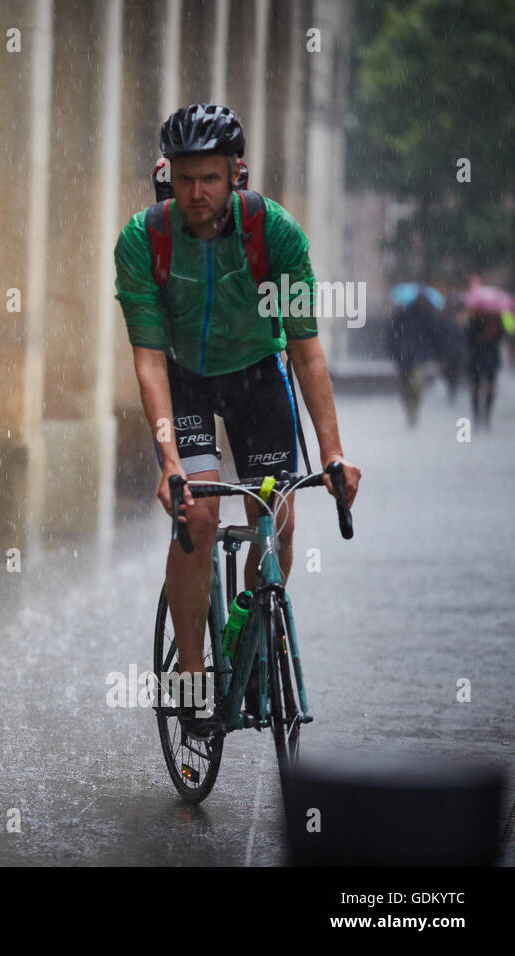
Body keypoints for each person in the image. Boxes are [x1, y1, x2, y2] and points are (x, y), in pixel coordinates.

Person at [114, 105, 361, 740]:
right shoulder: (144, 240)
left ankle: (252, 623)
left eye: (211, 179)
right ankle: (193, 676)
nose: (197, 193)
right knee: (196, 513)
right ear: (169, 173)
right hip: (186, 379)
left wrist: (332, 455)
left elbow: (305, 348)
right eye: (186, 177)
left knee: (274, 516)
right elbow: (147, 363)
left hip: (258, 375)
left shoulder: (275, 233)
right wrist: (171, 463)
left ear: (236, 175)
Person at [389, 291, 441, 427]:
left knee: (416, 384)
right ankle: (409, 410)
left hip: (420, 356)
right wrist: (393, 350)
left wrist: (434, 351)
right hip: (403, 355)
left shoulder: (430, 316)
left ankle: (414, 411)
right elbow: (392, 333)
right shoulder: (403, 314)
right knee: (405, 386)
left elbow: (435, 335)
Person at [465, 305, 504, 429]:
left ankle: (487, 415)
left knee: (490, 389)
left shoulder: (497, 322)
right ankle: (476, 416)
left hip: (491, 360)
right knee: (475, 389)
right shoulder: (473, 323)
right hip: (476, 359)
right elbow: (468, 339)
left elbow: (502, 338)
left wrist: (494, 331)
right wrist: (482, 336)